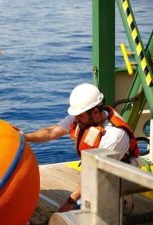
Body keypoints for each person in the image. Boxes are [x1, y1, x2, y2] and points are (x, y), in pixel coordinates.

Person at [22, 83, 142, 212]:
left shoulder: (114, 135)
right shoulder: (82, 116)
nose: (76, 119)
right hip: (97, 169)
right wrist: (26, 137)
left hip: (122, 173)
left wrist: (69, 202)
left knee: (82, 210)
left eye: (80, 116)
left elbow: (96, 173)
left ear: (95, 112)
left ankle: (122, 202)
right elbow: (51, 132)